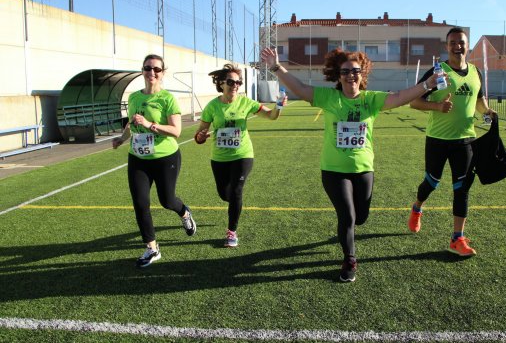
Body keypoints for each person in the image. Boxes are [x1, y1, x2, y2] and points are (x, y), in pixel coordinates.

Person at [260, 46, 444, 283]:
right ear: (338, 75)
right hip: (334, 171)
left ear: (362, 73)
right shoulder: (330, 98)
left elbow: (400, 97)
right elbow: (301, 88)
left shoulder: (371, 100)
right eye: (345, 71)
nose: (351, 75)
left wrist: (427, 85)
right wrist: (276, 67)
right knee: (346, 216)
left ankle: (349, 241)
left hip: (364, 169)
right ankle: (350, 259)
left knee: (361, 218)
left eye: (355, 70)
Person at [408, 27, 496, 256]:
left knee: (463, 188)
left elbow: (479, 101)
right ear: (447, 46)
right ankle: (417, 207)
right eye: (453, 43)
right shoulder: (439, 72)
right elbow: (415, 102)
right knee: (431, 182)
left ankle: (458, 239)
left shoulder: (476, 72)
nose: (458, 46)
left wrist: (487, 111)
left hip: (466, 140)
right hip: (438, 139)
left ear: (467, 45)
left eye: (462, 42)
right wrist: (437, 106)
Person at [112, 54, 196, 268]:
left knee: (167, 200)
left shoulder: (167, 99)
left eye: (157, 69)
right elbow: (131, 124)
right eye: (148, 68)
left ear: (162, 73)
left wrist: (150, 124)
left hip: (165, 157)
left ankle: (184, 212)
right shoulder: (133, 98)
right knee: (140, 203)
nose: (152, 73)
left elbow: (176, 130)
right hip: (138, 158)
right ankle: (152, 248)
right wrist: (122, 139)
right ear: (142, 70)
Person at [194, 64, 286, 247]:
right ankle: (234, 204)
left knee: (236, 191)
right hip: (219, 157)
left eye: (238, 82)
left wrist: (278, 106)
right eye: (231, 81)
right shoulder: (212, 106)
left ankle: (231, 232)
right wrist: (201, 136)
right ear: (221, 84)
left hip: (243, 154)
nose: (235, 85)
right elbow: (199, 135)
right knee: (224, 194)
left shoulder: (246, 102)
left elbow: (271, 116)